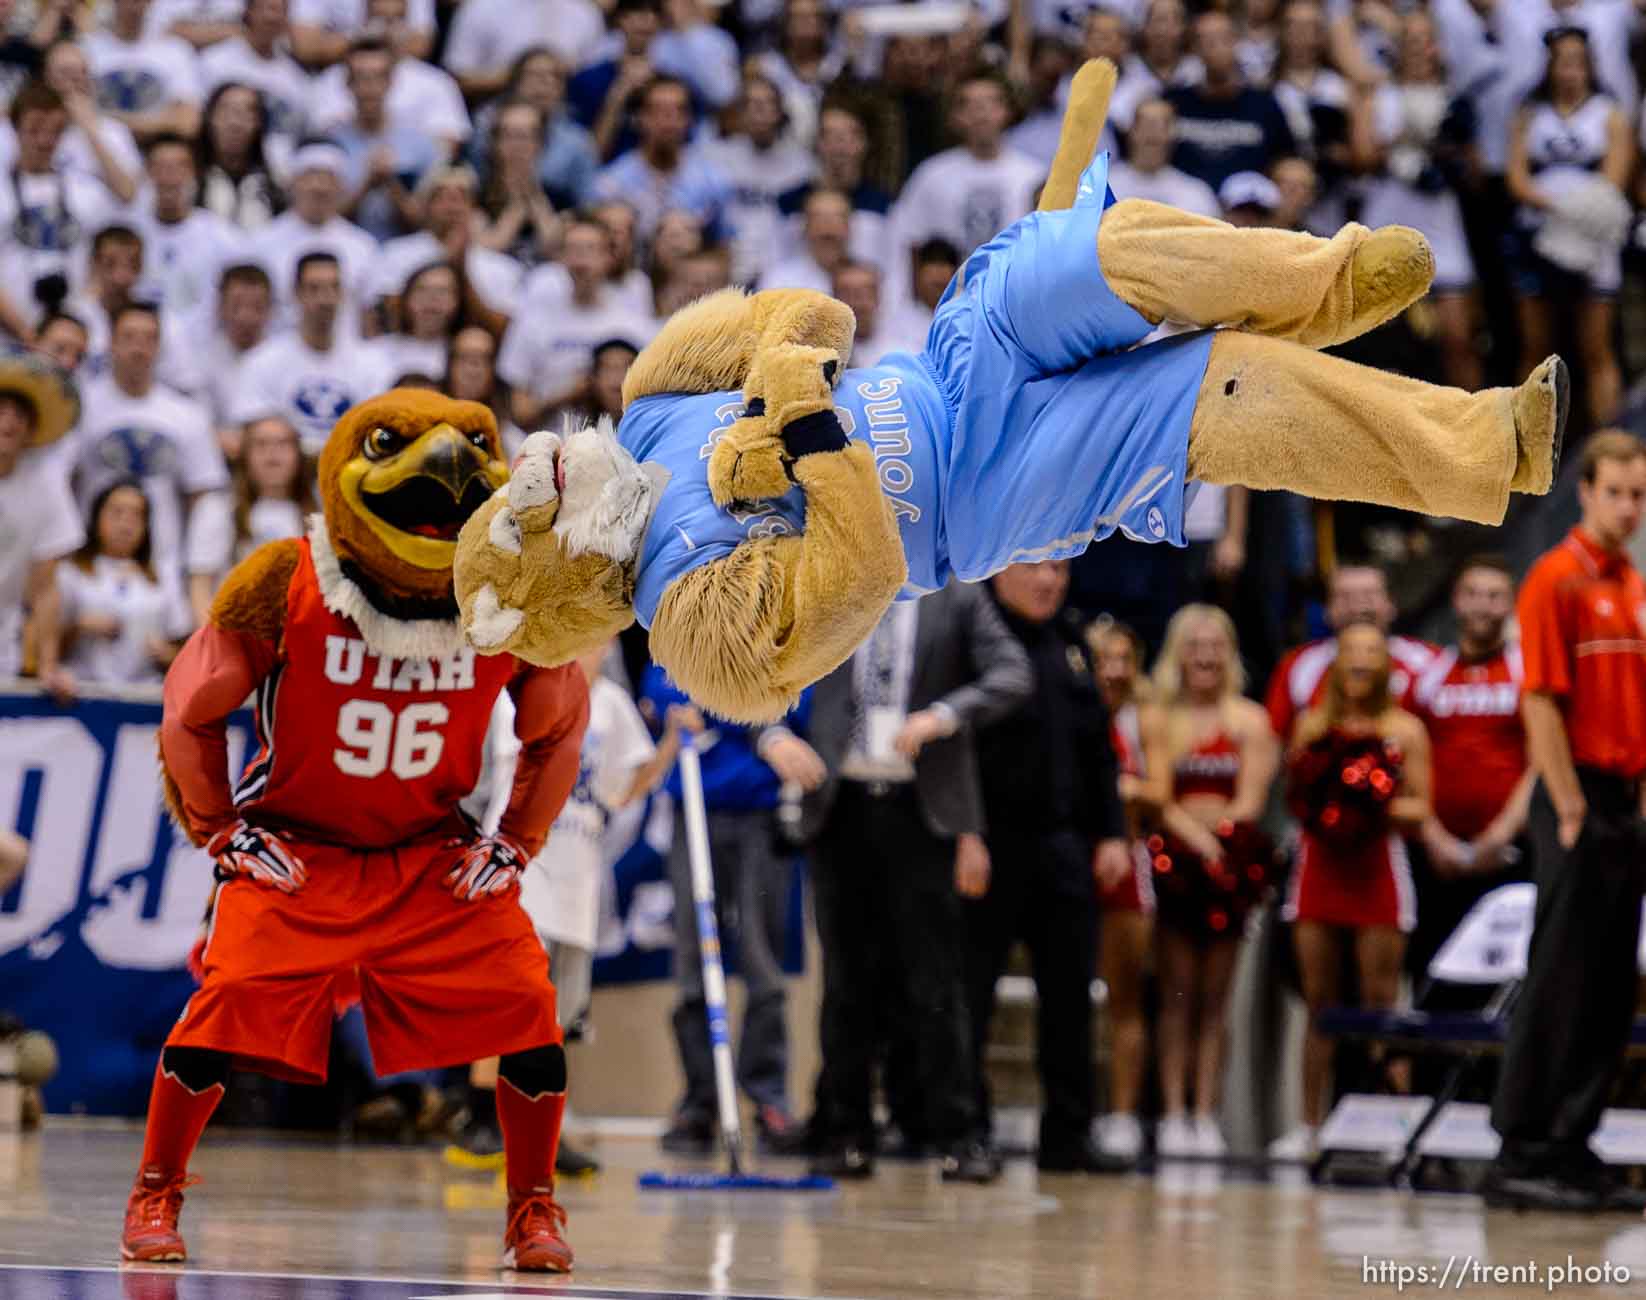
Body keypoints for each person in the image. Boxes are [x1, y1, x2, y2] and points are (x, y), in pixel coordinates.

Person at [118, 390, 589, 1273]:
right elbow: (188, 709)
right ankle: (156, 1190)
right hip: (297, 850)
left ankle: (532, 1208)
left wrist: (513, 842)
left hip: (428, 857)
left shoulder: (505, 596)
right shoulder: (285, 576)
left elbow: (559, 722)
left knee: (530, 1006)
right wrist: (220, 830)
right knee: (222, 1009)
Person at [798, 582, 1032, 1183]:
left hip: (921, 811)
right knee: (845, 982)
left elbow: (1012, 672)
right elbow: (761, 664)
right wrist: (772, 736)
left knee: (935, 981)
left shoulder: (957, 596)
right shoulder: (832, 580)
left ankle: (956, 1132)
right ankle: (845, 1130)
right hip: (840, 804)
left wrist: (944, 714)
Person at [450, 636, 687, 1176]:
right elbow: (476, 780)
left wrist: (671, 743)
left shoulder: (612, 706)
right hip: (517, 873)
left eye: (599, 643)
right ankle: (481, 1116)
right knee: (506, 1000)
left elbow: (624, 788)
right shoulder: (514, 694)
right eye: (579, 641)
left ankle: (542, 1127)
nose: (590, 653)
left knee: (557, 1017)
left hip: (578, 876)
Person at [1486, 431, 1646, 1214]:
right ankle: (1521, 1146)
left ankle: (1572, 1143)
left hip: (1625, 798)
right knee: (1560, 976)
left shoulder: (1632, 585)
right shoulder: (1556, 580)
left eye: (1639, 495)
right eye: (1615, 491)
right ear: (1584, 491)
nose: (1628, 507)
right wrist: (1572, 805)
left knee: (1613, 983)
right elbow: (1541, 700)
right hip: (1575, 797)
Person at [967, 559, 1130, 1172]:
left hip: (1062, 846)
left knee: (1069, 999)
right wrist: (964, 835)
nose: (1050, 581)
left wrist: (1112, 833)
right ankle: (969, 1128)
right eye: (1037, 568)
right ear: (1001, 571)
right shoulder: (975, 635)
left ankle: (1069, 1135)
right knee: (972, 992)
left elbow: (1099, 754)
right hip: (989, 845)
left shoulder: (1072, 644)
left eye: (1060, 569)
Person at [641, 663, 817, 1156]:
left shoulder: (772, 617)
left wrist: (721, 710)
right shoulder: (679, 610)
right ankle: (700, 1100)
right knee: (695, 966)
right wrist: (690, 712)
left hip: (760, 811)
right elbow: (663, 692)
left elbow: (789, 698)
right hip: (694, 807)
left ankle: (768, 1098)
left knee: (764, 965)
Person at [1272, 622, 1431, 1162]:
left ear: (1387, 664)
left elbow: (1420, 807)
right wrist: (1328, 804)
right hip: (1321, 870)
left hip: (1378, 872)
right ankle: (1308, 1126)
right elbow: (1296, 796)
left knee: (1381, 1003)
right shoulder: (1312, 725)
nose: (1361, 662)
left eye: (1372, 653)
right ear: (1336, 662)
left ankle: (1393, 1126)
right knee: (1319, 1004)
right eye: (1352, 653)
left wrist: (1364, 803)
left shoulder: (1405, 730)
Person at [1141, 603, 1278, 1158]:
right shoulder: (1158, 717)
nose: (1205, 654)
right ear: (1177, 652)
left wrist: (1217, 841)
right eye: (1194, 644)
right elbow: (1157, 795)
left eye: (1215, 644)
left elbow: (1251, 800)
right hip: (1172, 861)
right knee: (1176, 996)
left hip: (1229, 863)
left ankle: (1206, 1113)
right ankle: (1173, 1113)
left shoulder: (1250, 720)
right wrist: (1191, 838)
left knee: (1216, 1000)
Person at [1407, 556, 1533, 979]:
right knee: (1433, 971)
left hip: (1508, 851)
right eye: (1474, 594)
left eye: (1495, 596)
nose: (1483, 605)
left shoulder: (1526, 673)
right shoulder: (1428, 674)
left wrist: (1500, 835)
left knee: (1506, 975)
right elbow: (1408, 763)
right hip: (1437, 853)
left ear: (1511, 604)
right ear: (1457, 601)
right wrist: (1432, 836)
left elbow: (1542, 762)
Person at [70, 301, 225, 633]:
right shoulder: (82, 405)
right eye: (129, 337)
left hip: (161, 569)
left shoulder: (187, 415)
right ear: (111, 342)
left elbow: (204, 498)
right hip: (90, 566)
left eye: (148, 338)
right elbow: (67, 482)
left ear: (159, 346)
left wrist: (194, 572)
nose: (139, 347)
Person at [1507, 26, 1633, 429]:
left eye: (1578, 63)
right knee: (1535, 349)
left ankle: (1608, 445)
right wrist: (1555, 205)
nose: (1570, 72)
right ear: (1550, 67)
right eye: (1563, 63)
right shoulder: (1529, 115)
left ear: (1590, 67)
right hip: (1537, 239)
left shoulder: (1609, 116)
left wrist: (1574, 213)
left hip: (1592, 241)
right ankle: (1524, 450)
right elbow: (1517, 180)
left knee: (1596, 349)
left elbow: (1615, 178)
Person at [1089, 618, 1155, 1166]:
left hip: (1127, 865)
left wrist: (1125, 788)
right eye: (1102, 658)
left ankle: (1124, 1114)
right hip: (1070, 858)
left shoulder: (1143, 719)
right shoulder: (1066, 707)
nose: (1113, 669)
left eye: (1123, 658)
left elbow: (1160, 785)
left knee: (1126, 999)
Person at [497, 217, 654, 430]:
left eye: (590, 249)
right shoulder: (533, 322)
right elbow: (519, 413)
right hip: (550, 449)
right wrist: (565, 395)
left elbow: (650, 404)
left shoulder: (633, 327)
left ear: (609, 257)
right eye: (573, 249)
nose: (581, 259)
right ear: (561, 257)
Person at [230, 251, 394, 454]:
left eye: (334, 287)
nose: (326, 299)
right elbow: (254, 434)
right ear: (296, 293)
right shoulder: (262, 360)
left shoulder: (373, 362)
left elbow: (381, 434)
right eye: (314, 288)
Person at [1265, 563, 1435, 744]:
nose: (1357, 606)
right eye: (1345, 597)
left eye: (1369, 595)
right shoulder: (1297, 665)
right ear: (1326, 609)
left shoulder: (1430, 663)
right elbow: (1272, 742)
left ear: (1391, 604)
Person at [0, 81, 119, 331]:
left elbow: (106, 261)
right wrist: (26, 333)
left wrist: (79, 316)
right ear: (15, 128)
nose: (45, 140)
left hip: (75, 333)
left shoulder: (87, 191)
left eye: (55, 131)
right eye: (34, 129)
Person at [892, 70, 1045, 263]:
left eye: (991, 103)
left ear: (1007, 112)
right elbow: (910, 239)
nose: (982, 113)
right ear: (956, 116)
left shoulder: (1033, 175)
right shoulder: (932, 175)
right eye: (970, 105)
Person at [0, 351, 81, 696]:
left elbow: (46, 589)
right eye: (0, 411)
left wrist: (47, 664)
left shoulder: (47, 486)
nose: (8, 422)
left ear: (32, 430)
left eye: (19, 415)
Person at [698, 72, 814, 286]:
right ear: (740, 113)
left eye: (767, 103)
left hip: (782, 267)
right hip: (727, 263)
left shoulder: (802, 166)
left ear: (780, 112)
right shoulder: (715, 157)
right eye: (751, 104)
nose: (759, 110)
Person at [249, 143, 378, 334]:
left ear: (341, 187)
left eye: (328, 178)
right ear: (292, 183)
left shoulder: (363, 245)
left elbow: (368, 316)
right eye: (310, 176)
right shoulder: (261, 243)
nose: (319, 187)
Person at [55, 479, 174, 685]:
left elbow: (178, 648)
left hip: (142, 694)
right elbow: (40, 649)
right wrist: (78, 628)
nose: (126, 523)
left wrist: (167, 653)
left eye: (137, 515)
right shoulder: (71, 573)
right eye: (117, 512)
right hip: (81, 690)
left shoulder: (161, 579)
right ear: (96, 518)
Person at [591, 76, 732, 248]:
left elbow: (725, 244)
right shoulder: (613, 183)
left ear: (689, 120)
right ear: (640, 118)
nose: (669, 120)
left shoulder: (711, 181)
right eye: (658, 110)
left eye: (678, 111)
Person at [1166, 10, 1296, 192]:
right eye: (1207, 41)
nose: (1216, 47)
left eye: (1224, 39)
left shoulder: (1264, 105)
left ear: (1237, 42)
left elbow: (1286, 161)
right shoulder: (1174, 103)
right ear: (1194, 48)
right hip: (1187, 207)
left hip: (1249, 208)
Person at [127, 133, 250, 324]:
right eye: (160, 167)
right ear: (147, 173)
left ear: (194, 173)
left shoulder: (222, 237)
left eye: (178, 167)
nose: (169, 177)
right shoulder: (128, 231)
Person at [185, 413, 312, 597]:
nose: (272, 454)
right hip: (233, 622)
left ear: (298, 454)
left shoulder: (321, 512)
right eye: (261, 444)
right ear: (245, 454)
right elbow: (200, 585)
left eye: (283, 444)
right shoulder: (216, 508)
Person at [329, 36, 438, 243]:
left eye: (378, 77)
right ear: (348, 83)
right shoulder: (329, 142)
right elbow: (324, 219)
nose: (370, 88)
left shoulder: (420, 144)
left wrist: (391, 184)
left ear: (390, 82)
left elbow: (427, 223)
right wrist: (366, 185)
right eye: (361, 77)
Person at [84, 0, 204, 144]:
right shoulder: (85, 49)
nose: (133, 5)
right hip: (99, 150)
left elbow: (188, 124)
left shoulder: (175, 50)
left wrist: (110, 119)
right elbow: (76, 114)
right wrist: (163, 122)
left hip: (156, 151)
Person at [198, 0, 309, 146]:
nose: (273, 17)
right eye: (267, 8)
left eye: (280, 10)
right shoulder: (215, 61)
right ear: (249, 11)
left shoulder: (297, 78)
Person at [1107, 97, 1221, 218]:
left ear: (1173, 135)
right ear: (1131, 131)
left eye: (1163, 125)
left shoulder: (1197, 193)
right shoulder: (1102, 187)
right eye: (1146, 123)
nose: (1153, 132)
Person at [195, 81, 284, 231]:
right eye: (226, 111)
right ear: (210, 118)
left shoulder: (275, 185)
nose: (235, 123)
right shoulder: (191, 179)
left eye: (245, 113)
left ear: (258, 123)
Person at [376, 260, 460, 382]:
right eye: (422, 289)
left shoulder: (464, 356)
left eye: (443, 291)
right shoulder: (373, 353)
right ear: (407, 298)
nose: (432, 299)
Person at [761, 187, 850, 294]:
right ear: (805, 227)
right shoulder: (779, 280)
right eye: (819, 219)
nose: (828, 228)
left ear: (849, 227)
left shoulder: (868, 278)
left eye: (837, 218)